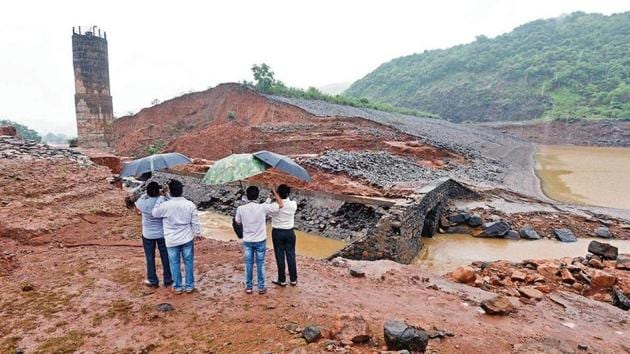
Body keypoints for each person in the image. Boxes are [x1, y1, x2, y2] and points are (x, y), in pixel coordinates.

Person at [152, 179, 202, 294]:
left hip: (171, 239)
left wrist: (161, 197)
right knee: (188, 262)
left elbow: (154, 213)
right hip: (187, 237)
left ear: (169, 191)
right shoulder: (190, 204)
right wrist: (197, 233)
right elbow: (195, 221)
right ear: (181, 191)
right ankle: (190, 286)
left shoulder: (165, 205)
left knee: (174, 263)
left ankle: (178, 286)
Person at [235, 186, 283, 295]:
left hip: (248, 240)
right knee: (260, 264)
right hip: (260, 240)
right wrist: (274, 193)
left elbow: (237, 222)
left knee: (248, 264)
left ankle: (249, 287)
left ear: (247, 196)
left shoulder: (241, 209)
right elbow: (280, 205)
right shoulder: (262, 208)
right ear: (257, 195)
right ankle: (261, 287)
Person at [135, 181, 172, 288]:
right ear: (158, 191)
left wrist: (146, 195)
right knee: (165, 256)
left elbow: (137, 205)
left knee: (150, 257)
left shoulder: (142, 202)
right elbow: (170, 201)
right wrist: (164, 194)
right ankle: (168, 279)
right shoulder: (162, 202)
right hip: (162, 233)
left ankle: (153, 280)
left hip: (147, 234)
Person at [268, 184, 299, 287]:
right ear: (288, 194)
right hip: (290, 232)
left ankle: (282, 280)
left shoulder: (274, 205)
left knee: (280, 256)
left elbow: (267, 211)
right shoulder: (293, 204)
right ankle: (293, 279)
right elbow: (287, 200)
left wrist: (272, 196)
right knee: (291, 255)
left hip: (277, 232)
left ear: (278, 194)